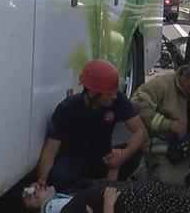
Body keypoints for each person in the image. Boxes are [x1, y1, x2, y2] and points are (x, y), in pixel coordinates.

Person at [34, 59, 147, 191]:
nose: (114, 96)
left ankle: (103, 184)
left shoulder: (118, 100)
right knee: (56, 180)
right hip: (74, 160)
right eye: (110, 93)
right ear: (93, 93)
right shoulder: (67, 108)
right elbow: (50, 151)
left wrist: (122, 157)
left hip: (103, 157)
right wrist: (41, 183)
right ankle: (88, 187)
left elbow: (140, 131)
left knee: (136, 152)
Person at [21, 180, 190, 213]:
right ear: (37, 204)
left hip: (140, 195)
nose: (37, 186)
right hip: (136, 205)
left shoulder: (63, 199)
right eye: (33, 193)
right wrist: (108, 203)